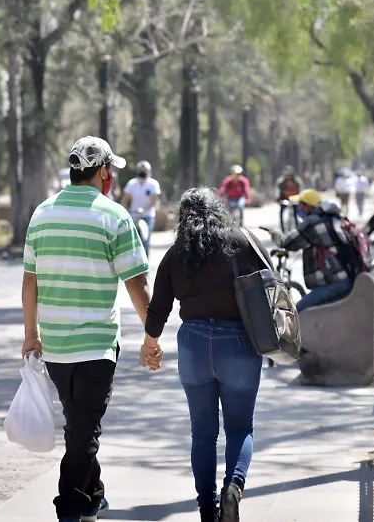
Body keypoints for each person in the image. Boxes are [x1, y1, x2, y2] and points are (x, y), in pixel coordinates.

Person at [22, 136, 155, 522]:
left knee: (79, 425)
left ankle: (94, 498)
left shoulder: (42, 214)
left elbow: (29, 281)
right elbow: (137, 285)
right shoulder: (114, 216)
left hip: (57, 345)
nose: (111, 176)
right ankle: (70, 508)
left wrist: (31, 335)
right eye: (110, 170)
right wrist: (152, 337)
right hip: (96, 346)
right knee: (83, 430)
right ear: (102, 173)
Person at [141, 188, 266, 522]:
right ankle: (233, 488)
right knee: (240, 428)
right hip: (238, 342)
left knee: (203, 433)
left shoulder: (175, 255)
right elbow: (272, 284)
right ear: (219, 211)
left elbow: (158, 309)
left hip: (193, 344)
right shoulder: (241, 241)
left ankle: (207, 509)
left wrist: (150, 344)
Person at [277, 189, 355, 313]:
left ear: (308, 206)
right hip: (343, 278)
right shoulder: (330, 216)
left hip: (333, 282)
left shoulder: (313, 222)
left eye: (300, 205)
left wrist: (276, 235)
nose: (298, 209)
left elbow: (289, 243)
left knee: (297, 313)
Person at [121, 160, 161, 255]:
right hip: (134, 216)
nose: (143, 171)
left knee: (145, 240)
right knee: (134, 241)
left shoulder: (153, 184)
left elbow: (153, 202)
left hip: (147, 216)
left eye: (145, 170)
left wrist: (144, 210)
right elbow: (125, 199)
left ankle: (145, 261)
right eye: (141, 169)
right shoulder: (132, 183)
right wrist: (124, 209)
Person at [274, 167, 303, 231]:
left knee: (296, 215)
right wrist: (277, 198)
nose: (288, 176)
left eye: (289, 175)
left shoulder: (297, 182)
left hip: (294, 200)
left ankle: (298, 228)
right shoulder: (281, 182)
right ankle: (283, 229)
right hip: (284, 200)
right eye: (287, 175)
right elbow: (277, 191)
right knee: (281, 214)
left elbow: (301, 191)